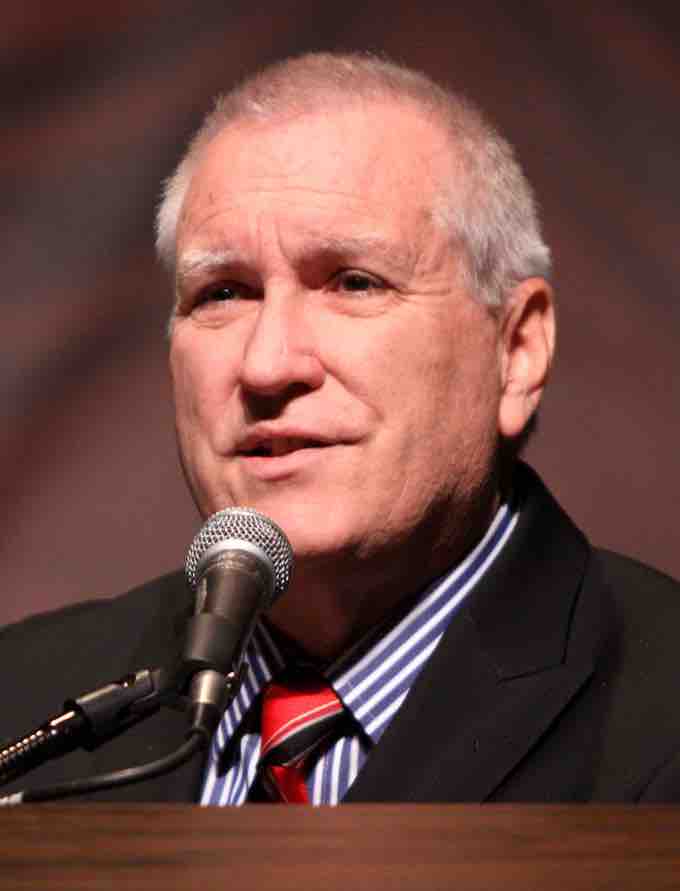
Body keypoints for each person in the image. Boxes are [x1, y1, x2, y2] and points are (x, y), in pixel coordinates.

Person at [2, 52, 680, 805]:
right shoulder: (19, 700)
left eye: (355, 283)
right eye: (223, 293)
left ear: (516, 350)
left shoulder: (660, 723)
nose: (267, 365)